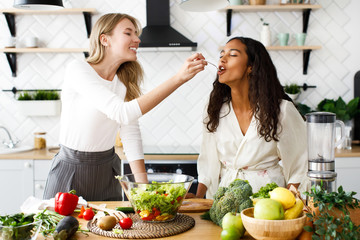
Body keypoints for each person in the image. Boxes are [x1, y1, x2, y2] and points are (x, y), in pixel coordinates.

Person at [43, 13, 207, 201]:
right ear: (105, 39)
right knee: (59, 229)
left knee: (109, 230)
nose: (137, 39)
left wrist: (144, 189)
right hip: (71, 169)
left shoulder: (123, 82)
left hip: (107, 170)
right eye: (128, 33)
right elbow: (121, 113)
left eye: (136, 34)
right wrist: (178, 79)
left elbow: (130, 132)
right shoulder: (78, 69)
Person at [193, 37, 307, 199]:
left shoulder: (282, 110)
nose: (222, 58)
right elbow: (208, 159)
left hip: (270, 200)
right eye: (221, 54)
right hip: (226, 198)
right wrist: (198, 200)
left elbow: (300, 164)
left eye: (232, 55)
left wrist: (290, 204)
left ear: (250, 67)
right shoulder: (214, 108)